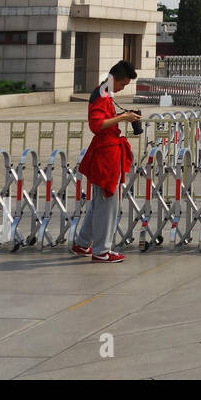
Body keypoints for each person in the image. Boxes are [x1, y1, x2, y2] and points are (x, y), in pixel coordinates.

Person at [72, 60, 139, 263]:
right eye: (122, 84)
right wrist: (122, 118)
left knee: (99, 203)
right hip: (106, 154)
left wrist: (121, 116)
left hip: (106, 151)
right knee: (107, 204)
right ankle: (102, 251)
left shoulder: (102, 92)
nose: (122, 88)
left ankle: (83, 243)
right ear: (114, 79)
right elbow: (96, 124)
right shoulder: (102, 96)